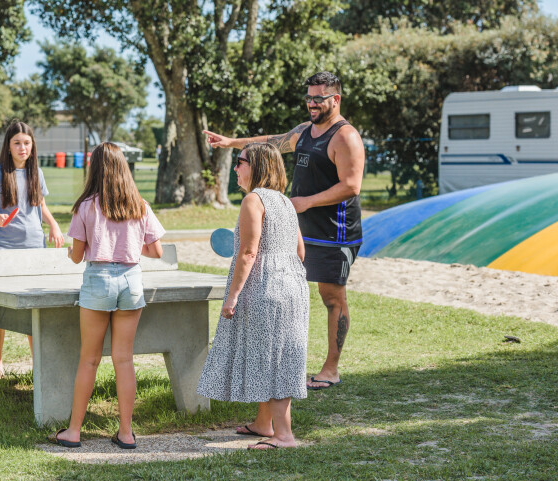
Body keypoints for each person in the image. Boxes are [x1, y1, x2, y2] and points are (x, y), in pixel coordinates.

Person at [203, 71, 364, 391]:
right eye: (309, 97)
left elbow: (351, 186)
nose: (312, 103)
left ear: (336, 99)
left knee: (331, 296)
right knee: (287, 293)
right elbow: (271, 142)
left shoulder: (346, 137)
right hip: (302, 228)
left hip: (336, 232)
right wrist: (231, 142)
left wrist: (305, 203)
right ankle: (286, 364)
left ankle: (331, 369)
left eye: (319, 98)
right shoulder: (305, 131)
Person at [48, 142, 165, 449]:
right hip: (131, 280)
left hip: (98, 280)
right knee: (123, 359)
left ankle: (74, 432)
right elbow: (156, 250)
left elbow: (76, 256)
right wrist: (126, 244)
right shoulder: (139, 204)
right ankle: (126, 433)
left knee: (89, 360)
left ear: (94, 169)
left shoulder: (86, 206)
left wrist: (93, 248)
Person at [197, 143, 309, 449]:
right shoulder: (285, 202)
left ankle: (284, 435)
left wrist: (231, 297)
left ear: (257, 165)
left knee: (272, 358)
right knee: (275, 352)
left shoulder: (253, 201)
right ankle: (263, 423)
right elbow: (300, 251)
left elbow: (248, 253)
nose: (235, 168)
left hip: (266, 287)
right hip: (294, 285)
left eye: (240, 162)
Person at [0, 121, 64, 378]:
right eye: (17, 142)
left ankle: (38, 364)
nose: (22, 147)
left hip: (36, 248)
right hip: (3, 249)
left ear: (32, 145)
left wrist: (55, 225)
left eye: (27, 142)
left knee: (34, 308)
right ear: (8, 145)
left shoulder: (37, 172)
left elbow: (41, 205)